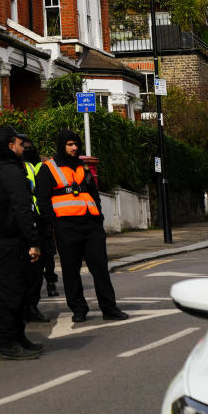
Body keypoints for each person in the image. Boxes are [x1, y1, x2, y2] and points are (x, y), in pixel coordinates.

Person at [33, 128, 128, 325]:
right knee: (70, 270)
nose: (74, 148)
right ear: (62, 146)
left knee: (100, 267)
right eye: (70, 145)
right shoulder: (48, 168)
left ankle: (109, 307)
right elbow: (42, 200)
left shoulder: (82, 167)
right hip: (65, 226)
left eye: (76, 144)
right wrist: (54, 225)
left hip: (91, 225)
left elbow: (93, 194)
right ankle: (78, 309)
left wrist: (99, 217)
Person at [0, 124, 44, 361]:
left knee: (16, 291)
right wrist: (33, 242)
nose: (24, 147)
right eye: (20, 143)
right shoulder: (11, 171)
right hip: (10, 240)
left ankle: (18, 338)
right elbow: (22, 209)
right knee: (11, 293)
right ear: (10, 145)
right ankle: (9, 343)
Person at [22, 142, 55, 322]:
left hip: (39, 220)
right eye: (23, 146)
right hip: (22, 221)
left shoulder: (36, 167)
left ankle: (32, 305)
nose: (26, 150)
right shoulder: (16, 168)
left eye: (28, 147)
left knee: (42, 260)